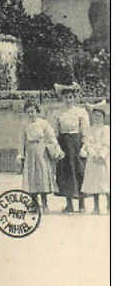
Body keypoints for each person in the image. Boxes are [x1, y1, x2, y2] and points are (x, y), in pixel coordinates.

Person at [17, 102, 62, 213]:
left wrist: (56, 147)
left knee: (43, 176)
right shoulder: (24, 124)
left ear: (37, 111)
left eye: (33, 111)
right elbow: (21, 140)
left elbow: (51, 136)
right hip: (30, 151)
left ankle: (45, 205)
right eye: (28, 112)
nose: (31, 114)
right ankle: (34, 205)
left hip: (42, 151)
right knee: (32, 177)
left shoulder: (43, 123)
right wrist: (21, 154)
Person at [54, 84, 90, 213]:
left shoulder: (81, 112)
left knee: (79, 171)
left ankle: (81, 203)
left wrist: (84, 146)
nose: (68, 100)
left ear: (74, 97)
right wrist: (57, 148)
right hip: (64, 144)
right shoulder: (58, 113)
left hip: (77, 143)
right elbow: (55, 133)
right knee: (66, 173)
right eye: (65, 97)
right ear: (62, 98)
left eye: (70, 97)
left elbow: (86, 131)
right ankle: (69, 203)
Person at [81, 101, 110, 215]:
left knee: (106, 181)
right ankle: (96, 206)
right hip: (93, 159)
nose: (97, 118)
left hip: (104, 159)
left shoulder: (107, 129)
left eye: (99, 116)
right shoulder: (89, 129)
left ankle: (109, 206)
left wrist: (102, 155)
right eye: (95, 116)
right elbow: (87, 143)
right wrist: (93, 154)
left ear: (103, 117)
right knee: (94, 183)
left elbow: (107, 143)